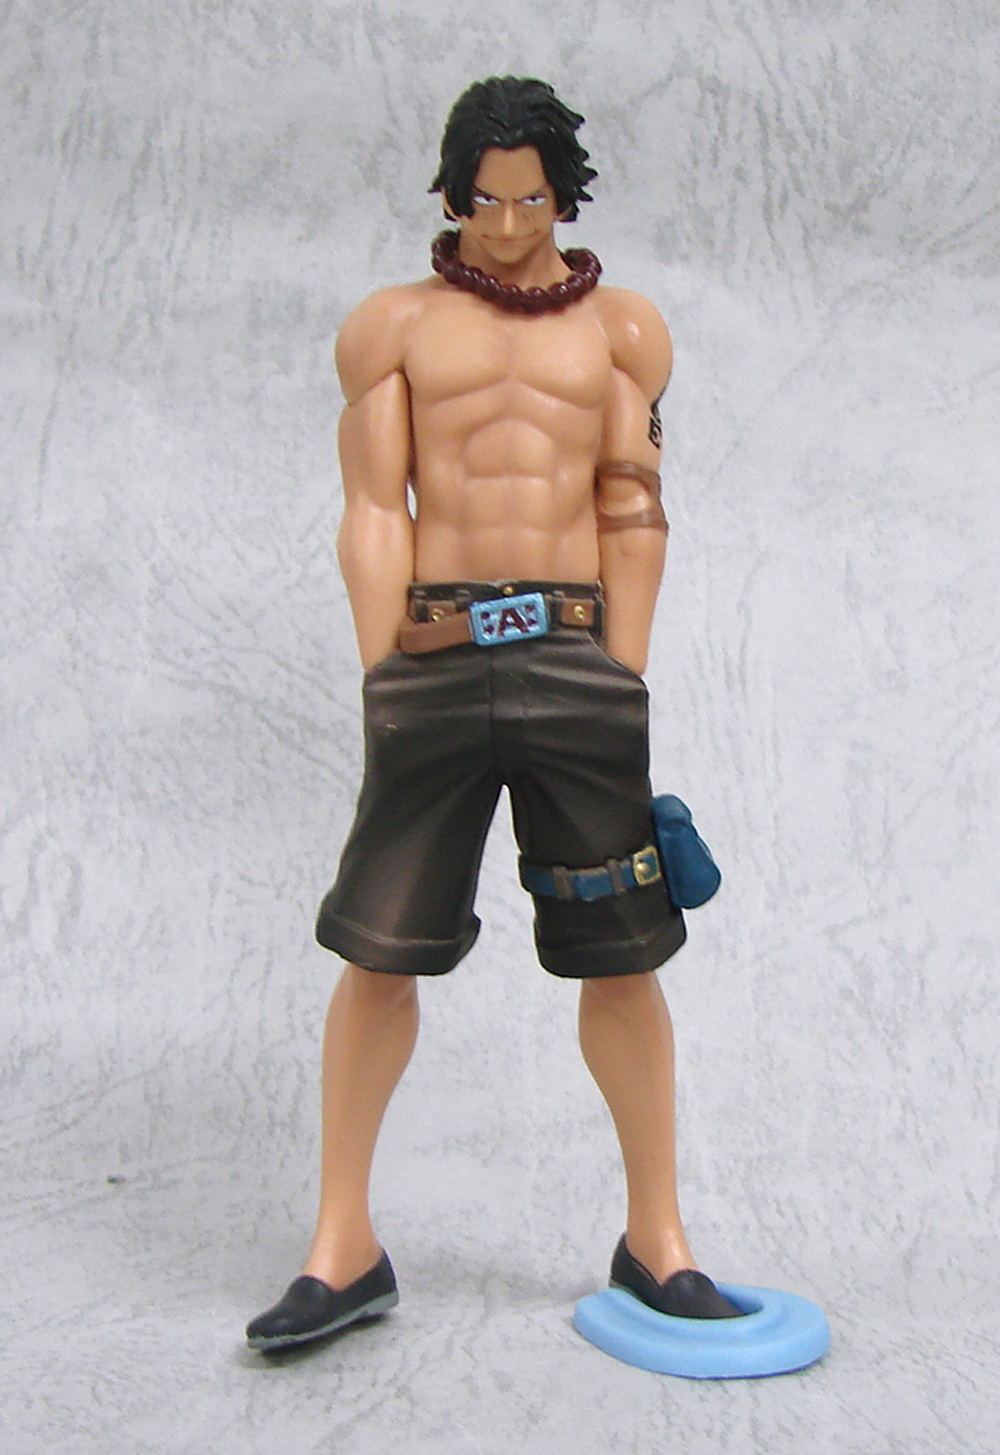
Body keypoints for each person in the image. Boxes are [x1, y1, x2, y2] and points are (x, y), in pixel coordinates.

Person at [247, 75, 740, 1352]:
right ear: (452, 190)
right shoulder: (393, 327)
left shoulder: (622, 330)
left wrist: (621, 675)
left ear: (563, 197)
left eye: (531, 202)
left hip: (576, 659)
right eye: (484, 201)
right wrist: (385, 674)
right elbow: (374, 509)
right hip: (435, 654)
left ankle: (657, 1240)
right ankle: (342, 1248)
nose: (509, 226)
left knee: (622, 957)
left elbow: (632, 503)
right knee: (378, 952)